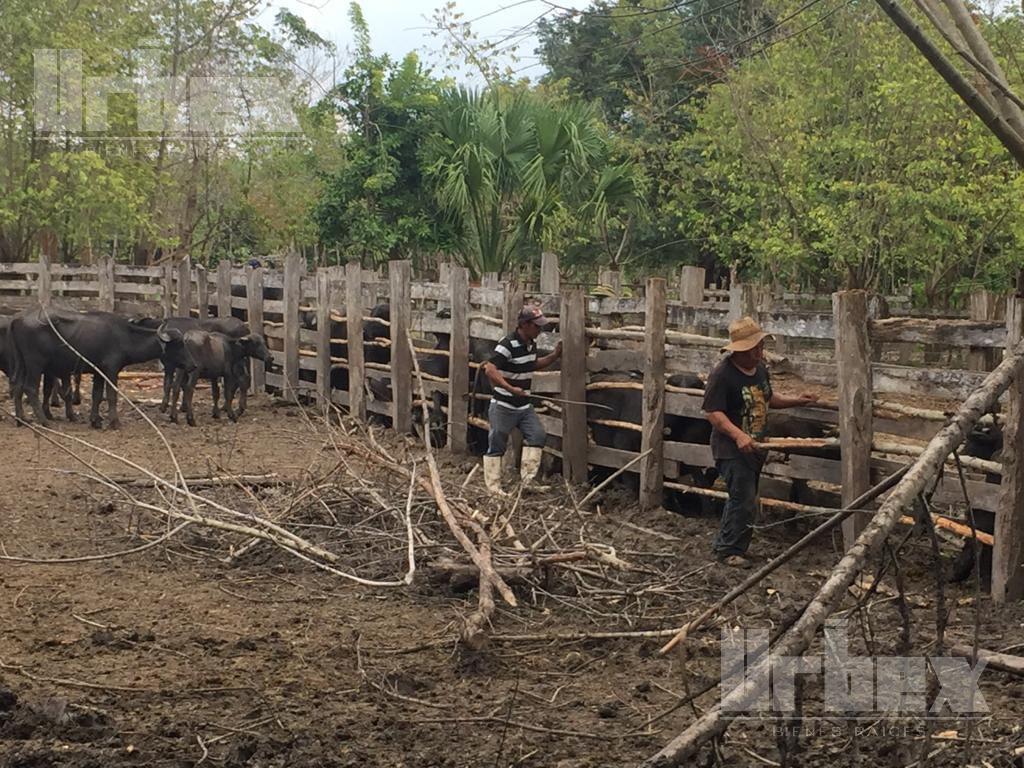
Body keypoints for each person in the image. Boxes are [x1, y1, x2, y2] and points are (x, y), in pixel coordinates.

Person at [701, 316, 818, 567]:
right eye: (754, 348)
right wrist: (738, 434)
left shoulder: (760, 370)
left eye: (760, 346)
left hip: (755, 447)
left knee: (748, 498)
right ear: (740, 350)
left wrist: (798, 400)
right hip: (731, 448)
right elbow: (713, 412)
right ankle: (728, 550)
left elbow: (769, 397)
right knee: (741, 498)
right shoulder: (722, 374)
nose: (759, 352)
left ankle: (737, 548)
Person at [481, 306, 563, 495]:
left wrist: (554, 356)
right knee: (497, 441)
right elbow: (490, 369)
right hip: (504, 403)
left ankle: (528, 480)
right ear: (524, 325)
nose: (539, 330)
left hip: (523, 405)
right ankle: (493, 488)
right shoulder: (507, 344)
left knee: (537, 436)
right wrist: (511, 388)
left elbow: (532, 364)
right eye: (536, 326)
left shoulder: (530, 343)